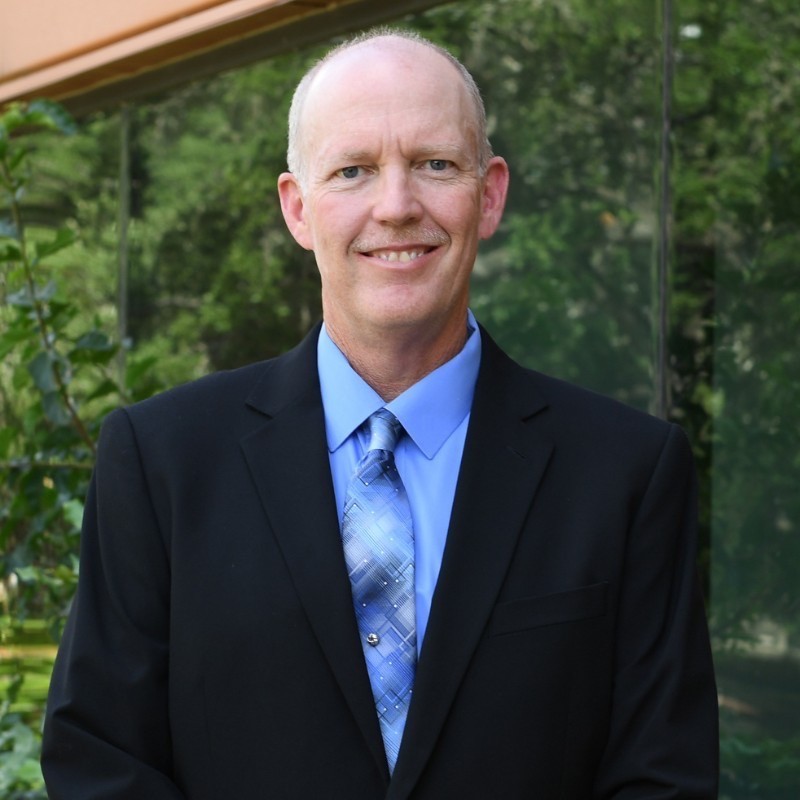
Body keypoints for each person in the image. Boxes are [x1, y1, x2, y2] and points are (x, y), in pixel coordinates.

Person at [41, 29, 718, 799]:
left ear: (490, 195)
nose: (396, 207)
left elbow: (662, 776)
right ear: (298, 209)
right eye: (353, 170)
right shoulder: (160, 460)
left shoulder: (626, 473)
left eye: (435, 164)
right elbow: (99, 759)